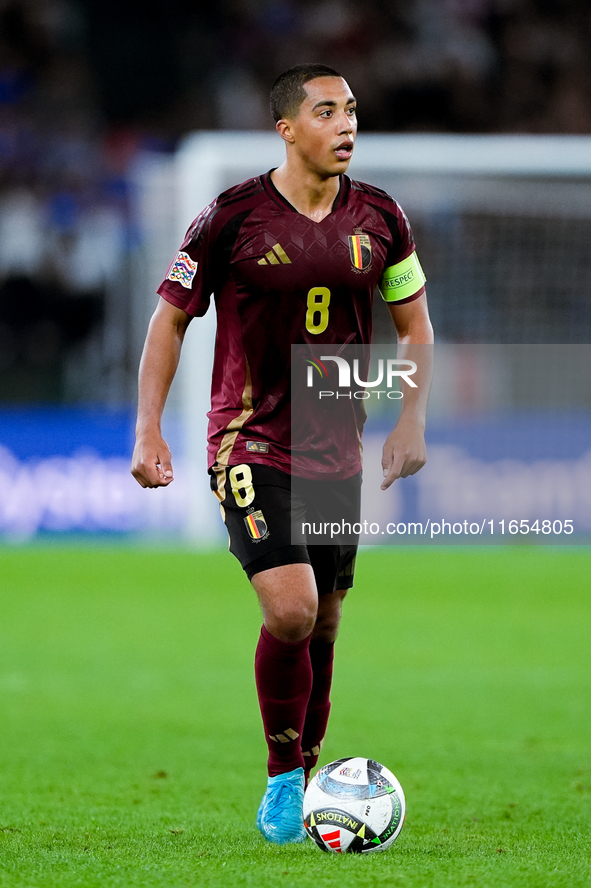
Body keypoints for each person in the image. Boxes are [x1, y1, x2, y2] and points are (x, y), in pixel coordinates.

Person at [131, 64, 433, 845]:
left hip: (336, 447)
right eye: (326, 111)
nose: (346, 125)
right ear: (287, 129)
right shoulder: (230, 218)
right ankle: (279, 780)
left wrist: (409, 421)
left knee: (326, 621)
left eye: (352, 111)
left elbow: (414, 327)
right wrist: (148, 428)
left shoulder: (382, 217)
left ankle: (309, 770)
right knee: (293, 611)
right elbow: (169, 321)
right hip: (247, 439)